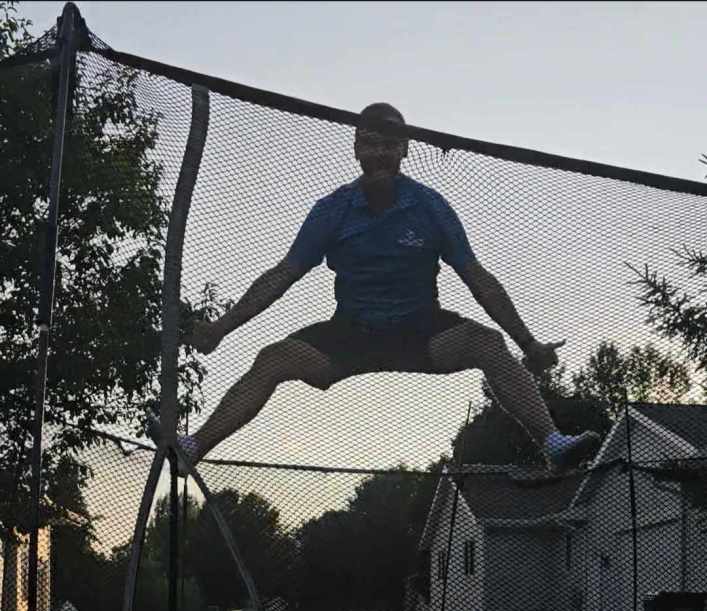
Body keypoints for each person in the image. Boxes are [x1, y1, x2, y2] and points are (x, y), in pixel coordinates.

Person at [154, 102, 600, 472]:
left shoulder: (429, 206)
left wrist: (528, 342)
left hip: (421, 332)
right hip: (350, 335)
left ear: (405, 149)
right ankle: (194, 448)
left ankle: (552, 442)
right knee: (273, 358)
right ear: (357, 149)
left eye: (390, 143)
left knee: (489, 344)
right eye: (371, 142)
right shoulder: (333, 210)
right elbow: (282, 275)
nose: (381, 152)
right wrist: (222, 327)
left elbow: (478, 278)